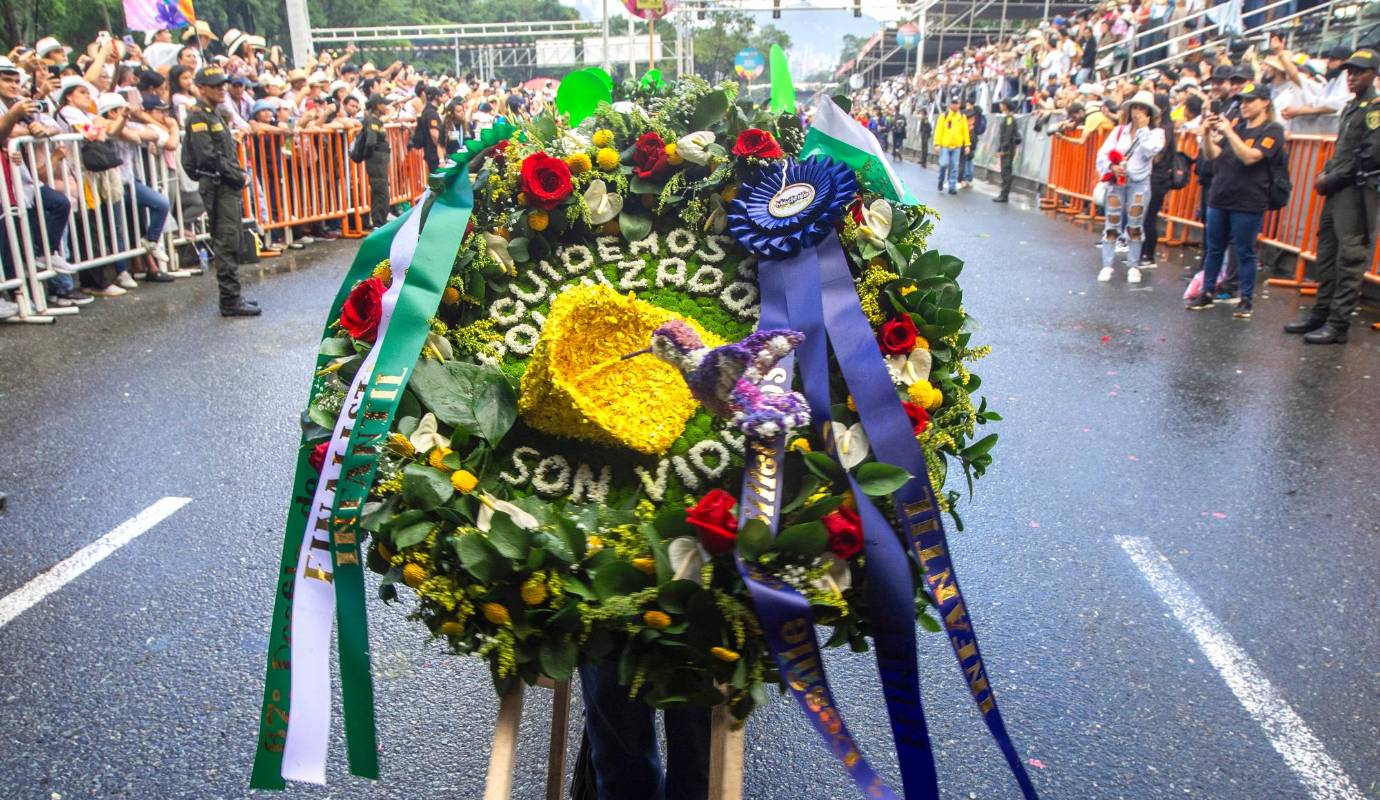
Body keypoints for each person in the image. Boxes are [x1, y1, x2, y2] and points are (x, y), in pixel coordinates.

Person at [1283, 49, 1380, 344]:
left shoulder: (1375, 108)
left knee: (1349, 257)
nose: (1352, 77)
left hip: (1356, 190)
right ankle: (1321, 313)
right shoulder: (1352, 107)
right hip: (1338, 188)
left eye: (1359, 72)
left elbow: (1371, 153)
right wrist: (1326, 173)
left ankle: (1338, 324)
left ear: (1374, 74)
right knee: (1326, 253)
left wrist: (1332, 177)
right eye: (1350, 72)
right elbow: (1341, 149)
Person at [1186, 83, 1283, 318]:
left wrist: (1229, 131)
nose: (1245, 105)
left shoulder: (1272, 130)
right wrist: (1207, 134)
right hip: (1220, 195)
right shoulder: (1238, 127)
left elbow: (1251, 157)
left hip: (1249, 200)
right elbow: (1211, 155)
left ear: (1265, 102)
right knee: (1213, 248)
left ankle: (1246, 298)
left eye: (1250, 100)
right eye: (1242, 101)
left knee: (1245, 250)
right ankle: (1207, 292)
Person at [182, 65, 259, 317]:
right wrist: (237, 175)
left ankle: (233, 295)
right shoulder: (199, 117)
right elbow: (205, 157)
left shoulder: (213, 114)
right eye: (215, 86)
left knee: (232, 239)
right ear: (201, 88)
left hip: (226, 185)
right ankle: (230, 299)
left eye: (222, 85)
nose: (221, 89)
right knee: (226, 241)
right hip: (217, 185)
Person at [1093, 90, 1165, 283]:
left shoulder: (1156, 134)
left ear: (1149, 113)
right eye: (1136, 107)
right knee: (1112, 223)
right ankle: (1107, 265)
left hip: (1139, 183)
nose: (1138, 112)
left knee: (1135, 224)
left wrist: (1142, 129)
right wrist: (1112, 166)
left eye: (1143, 109)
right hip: (1118, 182)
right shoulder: (1119, 132)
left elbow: (1151, 151)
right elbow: (1102, 154)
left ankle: (1133, 264)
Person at [361, 95, 392, 230]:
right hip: (376, 161)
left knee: (382, 189)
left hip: (379, 161)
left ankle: (381, 221)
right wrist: (373, 156)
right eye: (384, 104)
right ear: (377, 106)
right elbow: (371, 142)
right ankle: (379, 222)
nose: (386, 107)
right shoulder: (373, 122)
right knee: (380, 190)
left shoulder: (376, 121)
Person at [934, 98, 969, 195]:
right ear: (950, 105)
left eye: (956, 103)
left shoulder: (962, 117)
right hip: (945, 146)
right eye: (953, 103)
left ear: (959, 105)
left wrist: (967, 145)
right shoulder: (944, 116)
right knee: (944, 164)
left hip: (957, 146)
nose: (955, 105)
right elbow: (938, 130)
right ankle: (941, 180)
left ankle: (952, 186)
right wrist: (937, 144)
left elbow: (965, 132)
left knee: (954, 166)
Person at [993, 98, 1021, 202]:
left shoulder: (1010, 118)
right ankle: (1003, 194)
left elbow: (1008, 135)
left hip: (1008, 148)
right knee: (1004, 171)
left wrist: (1003, 149)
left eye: (1001, 104)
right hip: (1005, 147)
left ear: (1005, 106)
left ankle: (1004, 195)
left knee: (1006, 172)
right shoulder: (1007, 118)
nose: (1000, 106)